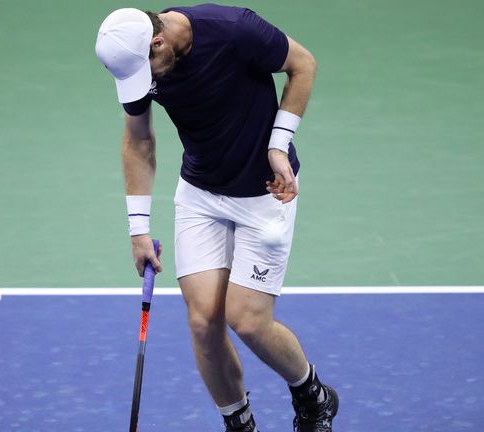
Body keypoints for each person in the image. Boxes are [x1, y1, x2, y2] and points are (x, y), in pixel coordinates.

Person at [95, 5, 337, 431]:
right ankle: (239, 423)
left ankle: (311, 393)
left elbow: (303, 64)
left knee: (247, 321)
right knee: (203, 322)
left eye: (149, 67)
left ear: (159, 40)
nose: (147, 82)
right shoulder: (136, 64)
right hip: (201, 196)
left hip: (264, 193)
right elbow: (138, 141)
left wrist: (278, 145)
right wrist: (138, 229)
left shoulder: (233, 30)